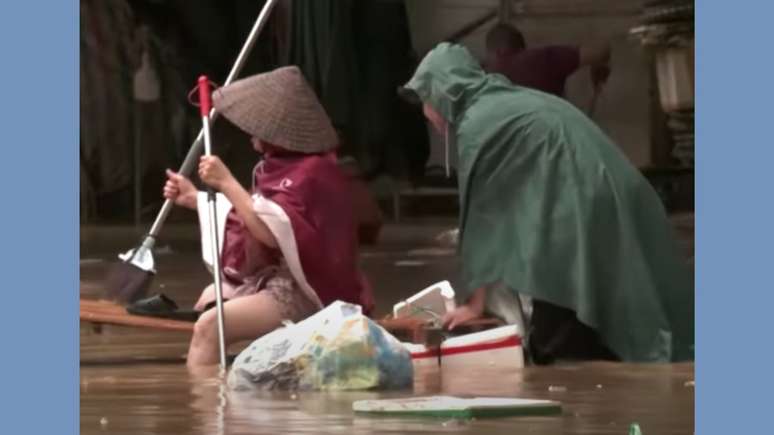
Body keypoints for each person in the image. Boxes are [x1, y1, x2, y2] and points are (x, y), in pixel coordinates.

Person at [401, 43, 693, 364]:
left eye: (426, 99)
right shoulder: (509, 100)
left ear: (444, 91)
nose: (426, 112)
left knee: (559, 283)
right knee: (596, 276)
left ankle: (573, 356)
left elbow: (484, 217)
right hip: (613, 186)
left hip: (582, 198)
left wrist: (474, 305)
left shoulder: (477, 123)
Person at [163, 66, 371, 367]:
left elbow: (269, 231)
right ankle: (231, 389)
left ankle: (208, 409)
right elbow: (253, 212)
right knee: (209, 298)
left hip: (309, 291)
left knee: (210, 326)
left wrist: (226, 182)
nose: (249, 134)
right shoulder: (279, 166)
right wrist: (195, 198)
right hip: (274, 278)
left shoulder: (311, 172)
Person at [484, 22, 611, 98]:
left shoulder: (482, 80)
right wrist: (598, 67)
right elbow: (602, 50)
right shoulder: (544, 59)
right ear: (522, 47)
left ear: (496, 51)